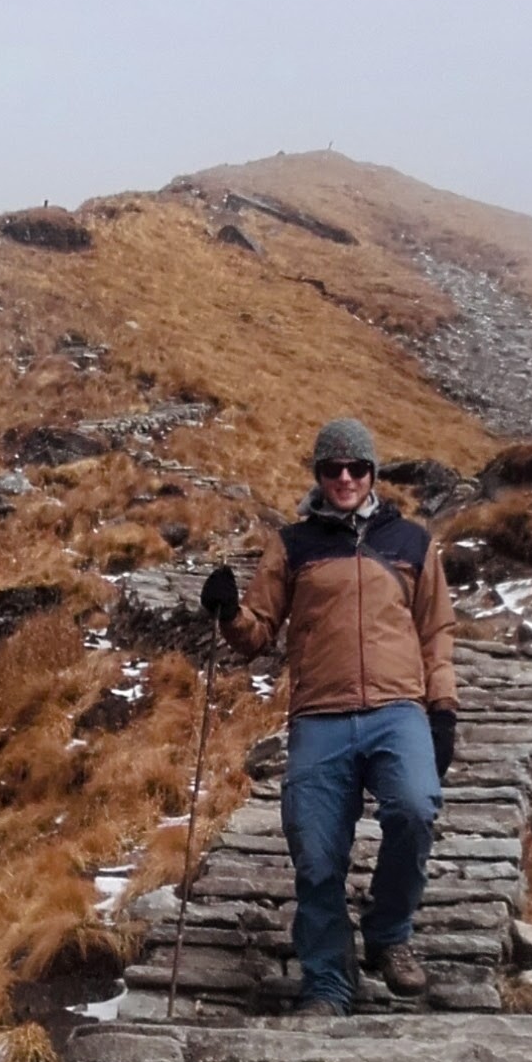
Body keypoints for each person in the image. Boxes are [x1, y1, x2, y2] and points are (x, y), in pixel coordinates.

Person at [200, 418, 457, 1017]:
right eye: (332, 468)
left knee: (415, 809)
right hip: (320, 715)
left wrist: (442, 709)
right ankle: (327, 984)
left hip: (398, 709)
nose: (345, 478)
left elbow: (436, 632)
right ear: (318, 474)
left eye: (356, 467)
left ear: (373, 473)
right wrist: (228, 612)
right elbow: (257, 633)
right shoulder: (293, 545)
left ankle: (388, 934)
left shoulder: (412, 542)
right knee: (315, 854)